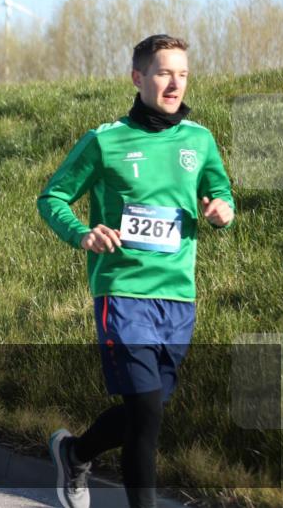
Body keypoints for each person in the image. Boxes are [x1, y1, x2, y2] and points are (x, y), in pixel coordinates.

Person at [37, 35, 234, 508]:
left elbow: (220, 191)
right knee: (146, 411)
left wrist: (222, 210)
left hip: (177, 297)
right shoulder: (105, 141)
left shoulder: (199, 140)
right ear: (138, 77)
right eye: (164, 72)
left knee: (147, 412)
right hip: (122, 291)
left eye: (182, 74)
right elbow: (52, 198)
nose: (174, 84)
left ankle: (74, 452)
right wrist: (82, 234)